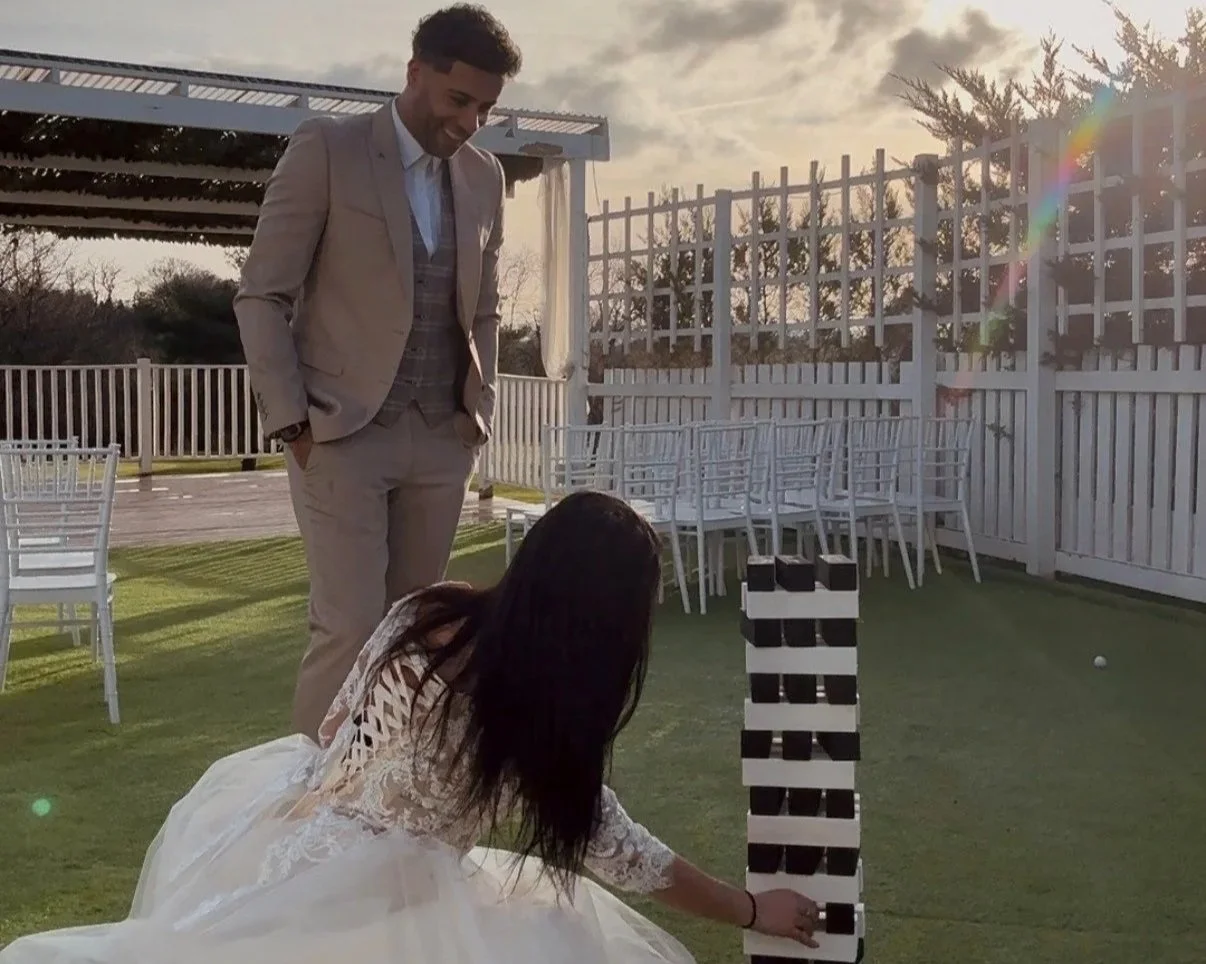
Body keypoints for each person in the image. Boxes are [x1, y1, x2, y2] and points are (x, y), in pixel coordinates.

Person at [0, 491, 821, 963]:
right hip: (392, 901)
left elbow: (332, 723)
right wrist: (754, 910)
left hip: (281, 826)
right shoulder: (538, 721)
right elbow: (629, 855)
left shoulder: (422, 612)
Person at [234, 4, 519, 741]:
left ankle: (383, 813)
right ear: (415, 73)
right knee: (350, 628)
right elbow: (262, 293)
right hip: (340, 433)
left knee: (414, 636)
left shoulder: (486, 178)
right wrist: (291, 421)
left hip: (440, 437)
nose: (470, 121)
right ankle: (306, 824)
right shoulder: (329, 150)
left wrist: (474, 412)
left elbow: (484, 308)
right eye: (460, 100)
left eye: (486, 108)